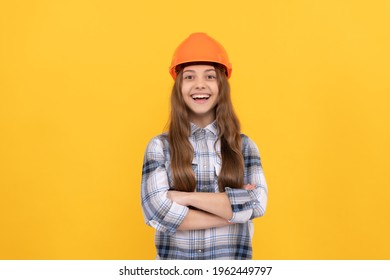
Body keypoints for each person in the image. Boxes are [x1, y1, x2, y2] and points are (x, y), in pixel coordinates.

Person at [141, 32, 268, 260]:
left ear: (222, 86)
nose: (200, 85)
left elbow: (257, 204)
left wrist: (184, 198)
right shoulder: (159, 147)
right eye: (189, 77)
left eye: (210, 76)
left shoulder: (245, 146)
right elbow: (157, 212)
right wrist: (233, 213)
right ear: (179, 87)